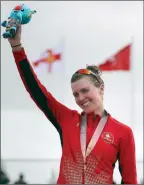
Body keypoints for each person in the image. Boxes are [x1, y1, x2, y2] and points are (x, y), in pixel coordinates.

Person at [6, 25, 138, 184]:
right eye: (75, 94)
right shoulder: (67, 119)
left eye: (85, 90)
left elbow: (130, 181)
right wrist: (16, 47)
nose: (81, 98)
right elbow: (35, 89)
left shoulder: (123, 132)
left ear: (101, 88)